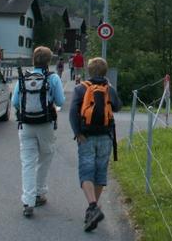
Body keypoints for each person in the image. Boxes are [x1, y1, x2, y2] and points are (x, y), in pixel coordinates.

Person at [12, 46, 65, 218]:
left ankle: (28, 201)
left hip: (26, 124)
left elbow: (15, 102)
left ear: (33, 59)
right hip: (46, 124)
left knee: (27, 162)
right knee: (45, 156)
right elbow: (60, 101)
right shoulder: (53, 78)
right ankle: (40, 193)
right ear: (49, 61)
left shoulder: (23, 77)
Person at [69, 57, 120, 232]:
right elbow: (118, 107)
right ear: (105, 72)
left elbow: (73, 113)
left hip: (87, 137)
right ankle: (93, 209)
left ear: (88, 71)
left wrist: (77, 133)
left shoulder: (80, 88)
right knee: (99, 172)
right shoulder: (109, 89)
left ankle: (92, 207)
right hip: (106, 137)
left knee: (86, 171)